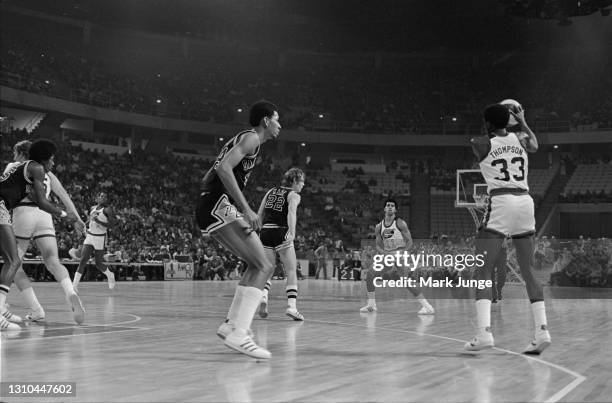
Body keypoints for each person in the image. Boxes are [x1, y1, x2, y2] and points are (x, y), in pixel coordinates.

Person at [195, 100, 281, 359]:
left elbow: (210, 174)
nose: (280, 125)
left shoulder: (246, 139)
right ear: (266, 121)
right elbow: (222, 168)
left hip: (212, 205)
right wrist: (245, 209)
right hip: (217, 206)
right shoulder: (252, 138)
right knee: (266, 265)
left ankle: (231, 324)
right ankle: (240, 334)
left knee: (255, 264)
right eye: (277, 119)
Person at [465, 103, 551, 354]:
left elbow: (482, 143)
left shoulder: (479, 142)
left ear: (487, 123)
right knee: (529, 270)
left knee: (482, 270)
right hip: (525, 203)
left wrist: (498, 125)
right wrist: (522, 122)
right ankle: (542, 330)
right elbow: (535, 145)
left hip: (501, 203)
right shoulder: (522, 138)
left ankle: (484, 334)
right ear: (510, 120)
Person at [0, 139, 80, 330]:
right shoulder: (37, 170)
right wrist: (67, 215)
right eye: (51, 159)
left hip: (17, 212)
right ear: (43, 158)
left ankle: (5, 308)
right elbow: (48, 200)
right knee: (17, 261)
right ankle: (1, 310)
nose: (53, 163)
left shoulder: (18, 166)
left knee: (12, 261)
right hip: (19, 210)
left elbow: (35, 197)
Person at [360, 199, 435, 315]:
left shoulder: (400, 223)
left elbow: (410, 242)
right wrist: (384, 253)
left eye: (392, 206)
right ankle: (371, 305)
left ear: (395, 210)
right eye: (388, 205)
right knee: (370, 275)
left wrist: (402, 253)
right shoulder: (379, 227)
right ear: (384, 209)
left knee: (406, 282)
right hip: (388, 256)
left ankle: (427, 307)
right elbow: (378, 245)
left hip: (400, 254)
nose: (390, 207)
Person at [257, 168, 306, 321]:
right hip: (281, 231)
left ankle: (263, 297)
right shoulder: (294, 195)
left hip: (265, 232)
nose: (303, 185)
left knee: (268, 269)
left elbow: (259, 213)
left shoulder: (271, 191)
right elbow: (292, 213)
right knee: (291, 269)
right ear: (294, 181)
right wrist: (292, 233)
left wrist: (259, 230)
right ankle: (292, 307)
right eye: (302, 181)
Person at [72, 191, 116, 291]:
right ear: (97, 198)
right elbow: (91, 219)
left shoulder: (108, 210)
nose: (103, 198)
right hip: (90, 236)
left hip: (100, 237)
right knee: (83, 260)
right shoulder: (92, 208)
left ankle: (110, 275)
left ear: (106, 199)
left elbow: (112, 225)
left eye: (105, 197)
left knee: (98, 264)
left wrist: (99, 221)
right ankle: (74, 286)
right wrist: (85, 225)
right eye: (101, 196)